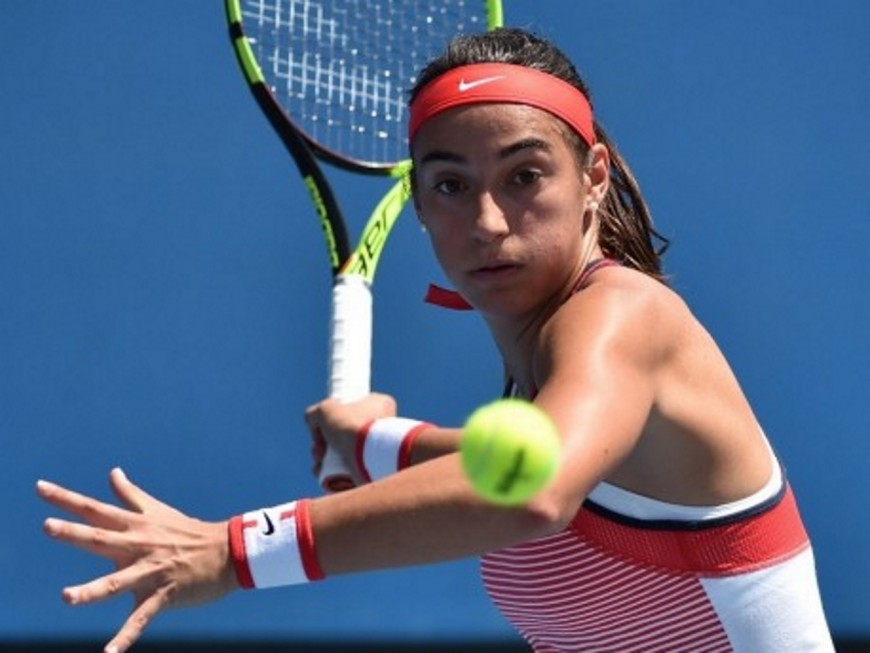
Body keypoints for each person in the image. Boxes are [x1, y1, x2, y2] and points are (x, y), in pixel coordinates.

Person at [38, 27, 833, 653]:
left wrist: (233, 551)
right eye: (451, 185)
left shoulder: (625, 315)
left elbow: (531, 488)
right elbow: (521, 459)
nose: (487, 221)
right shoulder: (547, 371)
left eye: (525, 175)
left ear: (591, 176)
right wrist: (377, 443)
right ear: (418, 204)